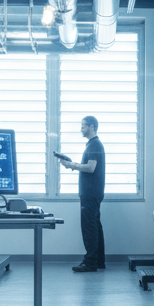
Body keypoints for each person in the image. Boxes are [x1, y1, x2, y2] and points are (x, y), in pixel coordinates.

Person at [59, 115, 106, 272]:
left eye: (84, 125)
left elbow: (91, 168)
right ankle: (98, 261)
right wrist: (72, 164)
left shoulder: (94, 145)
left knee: (89, 227)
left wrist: (71, 165)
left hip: (90, 193)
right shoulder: (93, 145)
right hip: (93, 192)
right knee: (95, 225)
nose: (81, 128)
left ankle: (90, 262)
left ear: (92, 127)